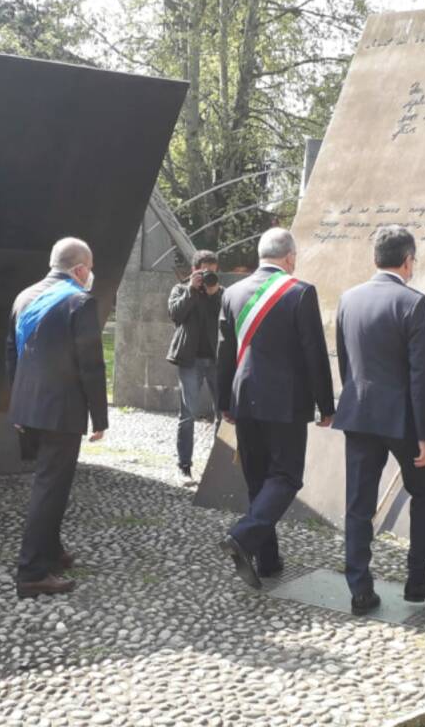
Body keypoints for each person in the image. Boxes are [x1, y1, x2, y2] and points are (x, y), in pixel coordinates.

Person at [334, 225, 425, 616]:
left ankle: (359, 590)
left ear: (375, 259)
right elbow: (420, 375)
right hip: (402, 421)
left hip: (358, 412)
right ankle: (417, 580)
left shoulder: (349, 298)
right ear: (407, 260)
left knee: (358, 503)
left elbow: (346, 361)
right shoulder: (414, 303)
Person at [215, 228, 335, 588]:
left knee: (258, 479)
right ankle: (244, 536)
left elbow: (225, 353)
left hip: (244, 397)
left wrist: (224, 401)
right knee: (285, 477)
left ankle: (268, 560)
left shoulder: (232, 292)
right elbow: (314, 353)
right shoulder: (299, 292)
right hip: (286, 402)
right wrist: (326, 405)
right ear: (290, 258)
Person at [6, 237, 108, 599]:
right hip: (61, 411)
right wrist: (100, 417)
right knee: (50, 487)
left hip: (28, 408)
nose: (90, 275)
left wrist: (16, 406)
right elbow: (90, 366)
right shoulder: (79, 301)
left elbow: (12, 356)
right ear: (80, 269)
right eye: (89, 268)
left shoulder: (24, 297)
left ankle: (51, 551)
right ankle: (32, 571)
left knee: (53, 484)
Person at [167, 250, 223, 481]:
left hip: (217, 360)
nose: (209, 274)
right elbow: (175, 315)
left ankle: (217, 468)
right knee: (188, 413)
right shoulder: (180, 290)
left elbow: (229, 319)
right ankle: (184, 466)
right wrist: (191, 290)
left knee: (223, 413)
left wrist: (213, 295)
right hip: (190, 360)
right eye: (205, 270)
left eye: (213, 270)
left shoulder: (221, 293)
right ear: (194, 270)